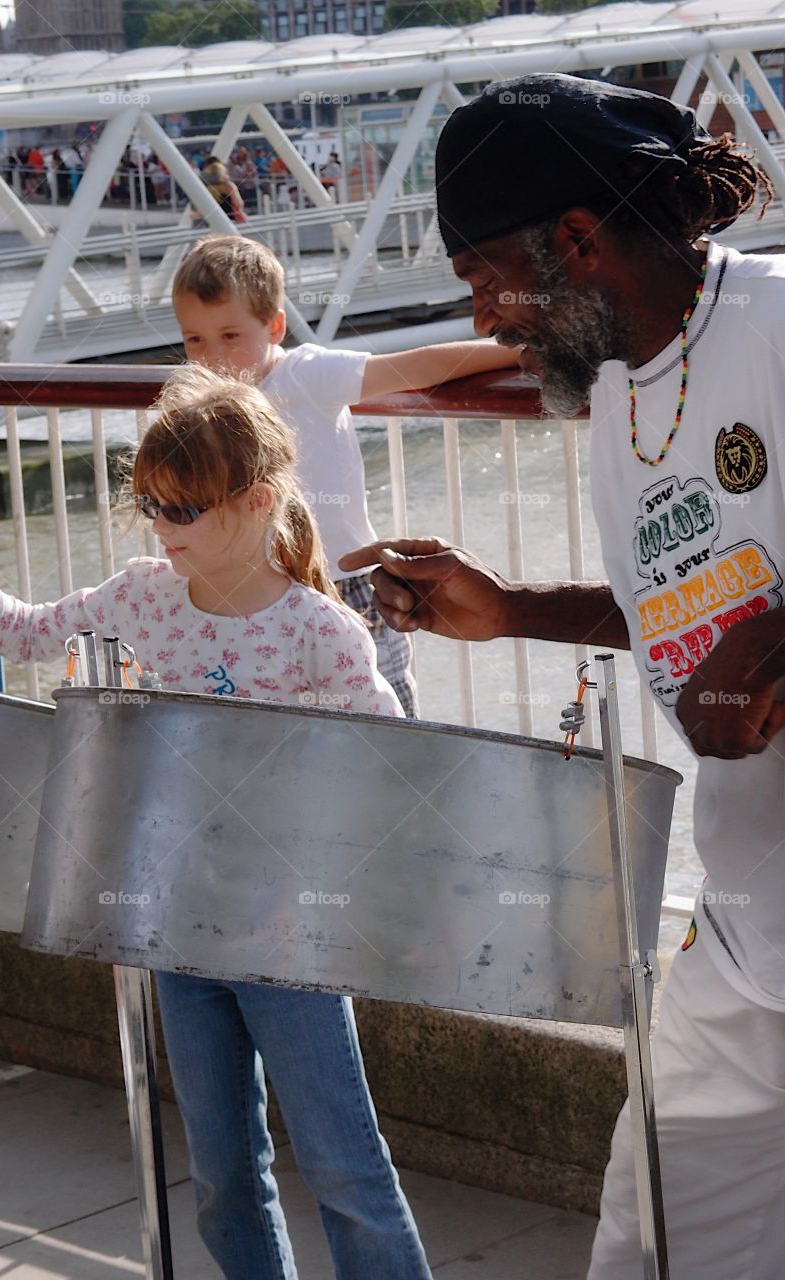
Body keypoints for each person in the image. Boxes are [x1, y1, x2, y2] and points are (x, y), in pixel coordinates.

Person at [341, 72, 785, 1280]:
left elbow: (752, 635)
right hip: (752, 917)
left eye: (488, 278)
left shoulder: (777, 327)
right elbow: (688, 610)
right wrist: (515, 611)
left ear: (579, 242)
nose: (487, 321)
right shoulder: (613, 396)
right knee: (649, 1230)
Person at [0, 364, 434, 1280]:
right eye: (150, 502)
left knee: (344, 1166)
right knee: (225, 1174)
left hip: (292, 937)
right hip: (179, 930)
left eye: (182, 508)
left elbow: (390, 766)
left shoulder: (320, 629)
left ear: (258, 501)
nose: (160, 525)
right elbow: (34, 633)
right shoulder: (146, 594)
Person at [171, 234, 521, 717]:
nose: (212, 356)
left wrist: (520, 354)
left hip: (345, 584)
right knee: (288, 725)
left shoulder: (305, 375)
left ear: (274, 327)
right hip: (261, 594)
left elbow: (417, 367)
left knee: (387, 719)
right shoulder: (201, 406)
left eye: (230, 336)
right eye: (195, 339)